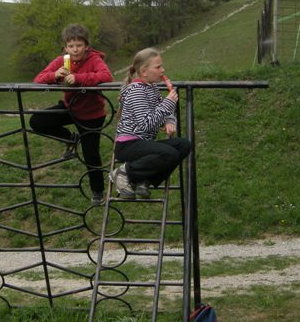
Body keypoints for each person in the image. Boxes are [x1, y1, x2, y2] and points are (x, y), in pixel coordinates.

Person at [31, 24, 113, 206]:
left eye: (79, 45)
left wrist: (79, 78)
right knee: (37, 121)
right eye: (71, 46)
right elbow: (38, 79)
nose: (75, 49)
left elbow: (107, 76)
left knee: (91, 154)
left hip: (92, 114)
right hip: (70, 107)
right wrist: (55, 75)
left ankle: (98, 192)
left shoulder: (94, 59)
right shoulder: (62, 60)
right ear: (65, 47)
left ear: (86, 46)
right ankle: (70, 138)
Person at [111, 48, 191, 199]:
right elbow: (147, 124)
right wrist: (168, 103)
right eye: (158, 67)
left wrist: (169, 121)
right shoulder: (136, 91)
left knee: (183, 145)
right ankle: (125, 172)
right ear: (144, 71)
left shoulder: (151, 88)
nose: (163, 70)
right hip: (128, 145)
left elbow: (161, 111)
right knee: (169, 154)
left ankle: (144, 180)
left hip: (144, 143)